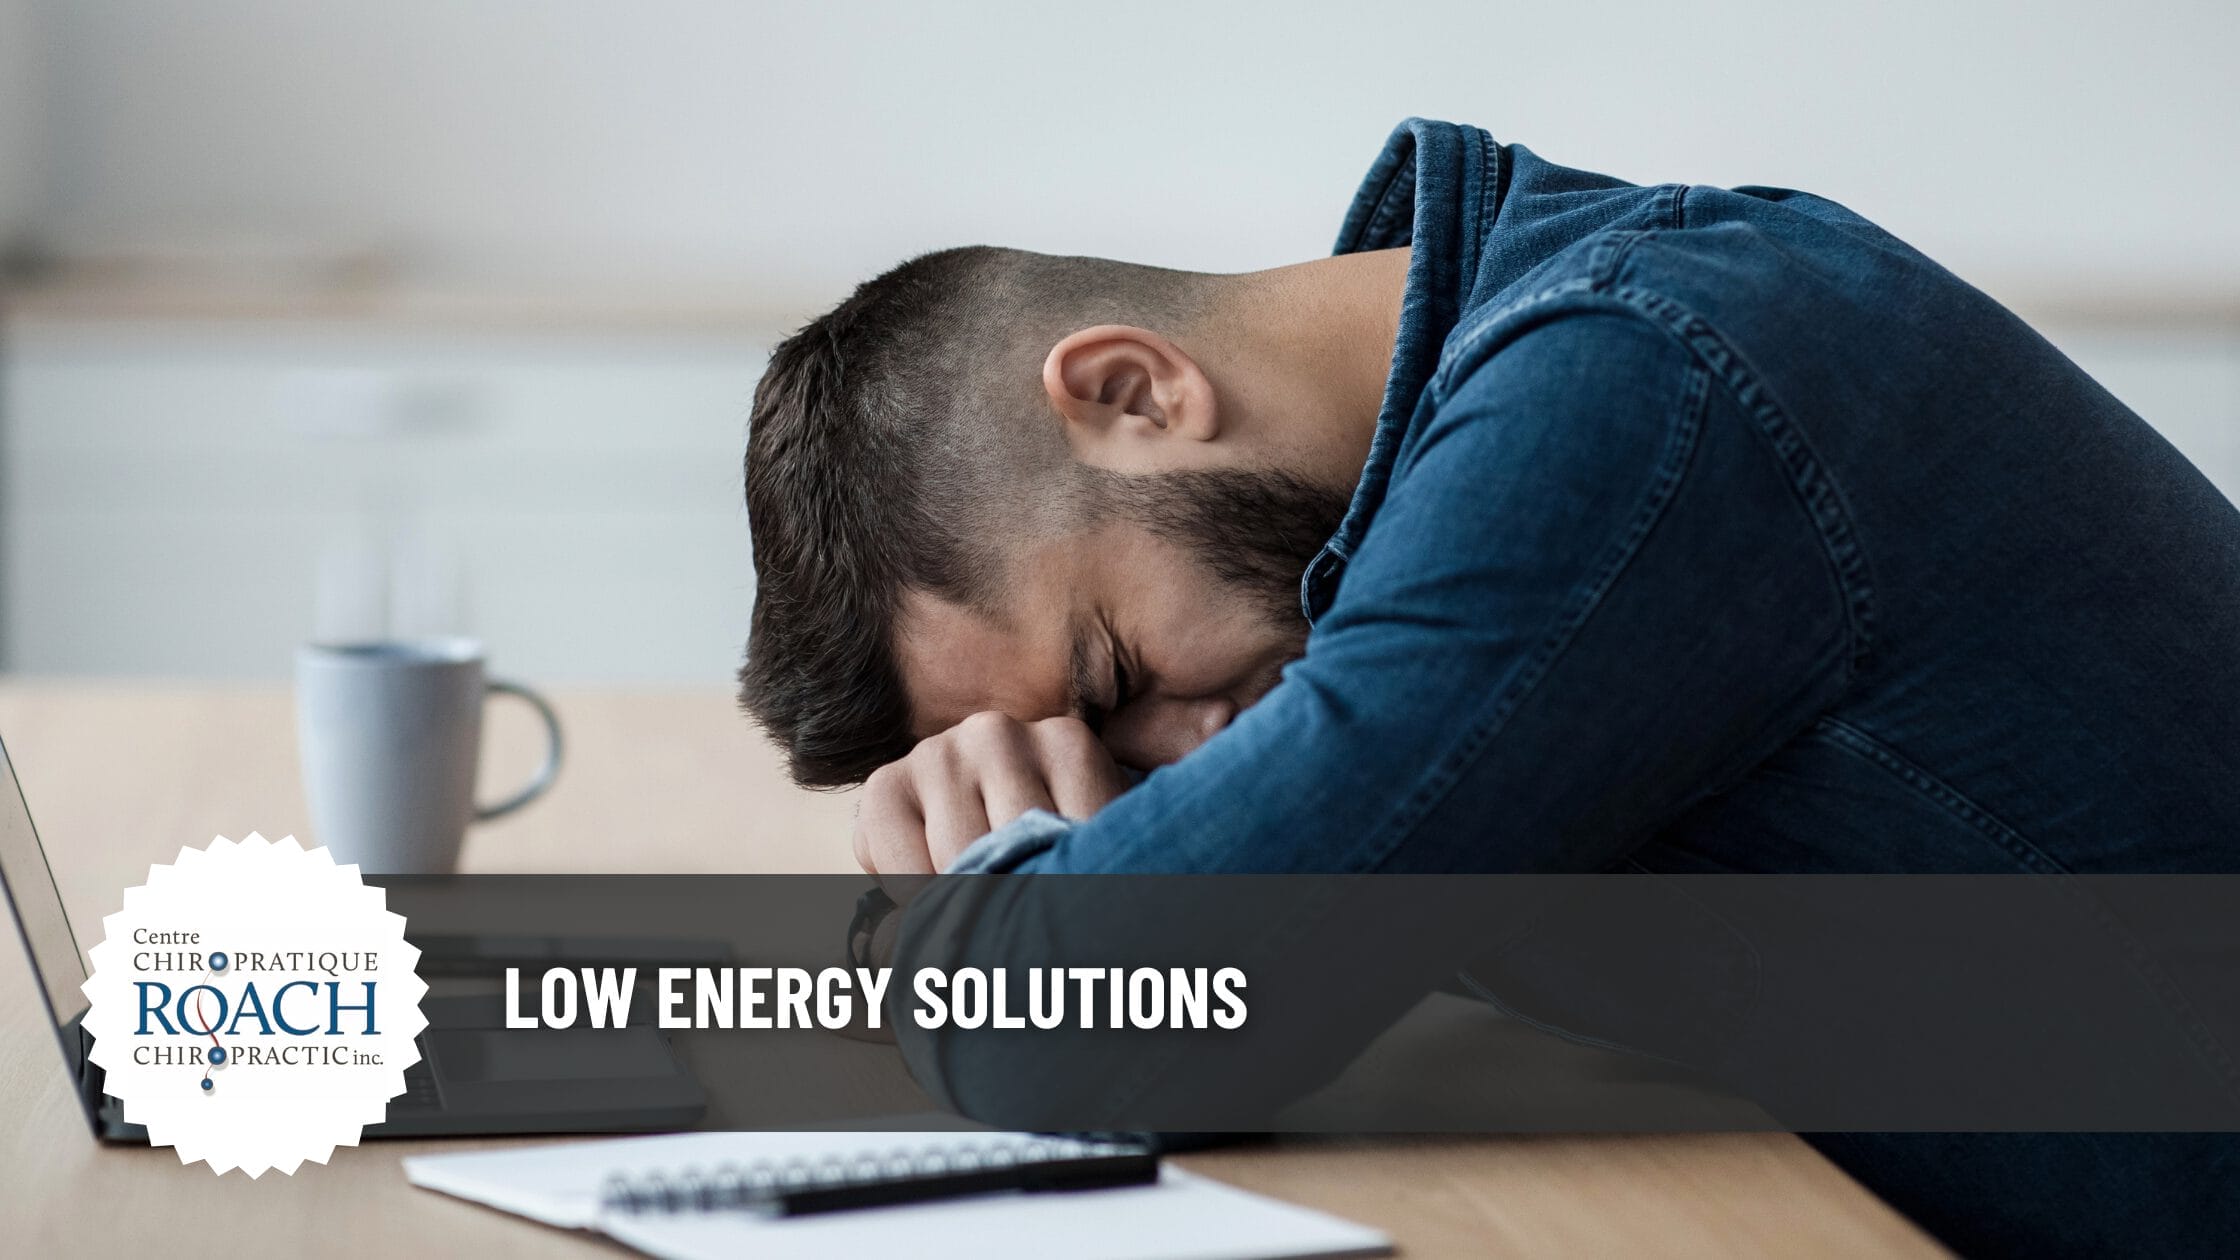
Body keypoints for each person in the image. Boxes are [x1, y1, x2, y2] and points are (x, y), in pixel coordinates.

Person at [737, 119, 2240, 1256]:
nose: (1168, 761)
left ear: (1135, 394)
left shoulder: (1633, 387)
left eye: (1118, 674)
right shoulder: (1529, 366)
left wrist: (993, 898)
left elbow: (1138, 1018)